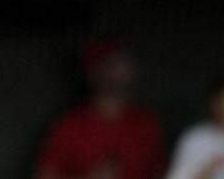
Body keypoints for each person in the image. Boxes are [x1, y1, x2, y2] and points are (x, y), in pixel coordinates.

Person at [35, 41, 164, 179]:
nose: (121, 69)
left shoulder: (146, 124)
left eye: (124, 62)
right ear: (93, 73)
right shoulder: (69, 125)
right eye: (111, 64)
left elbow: (160, 172)